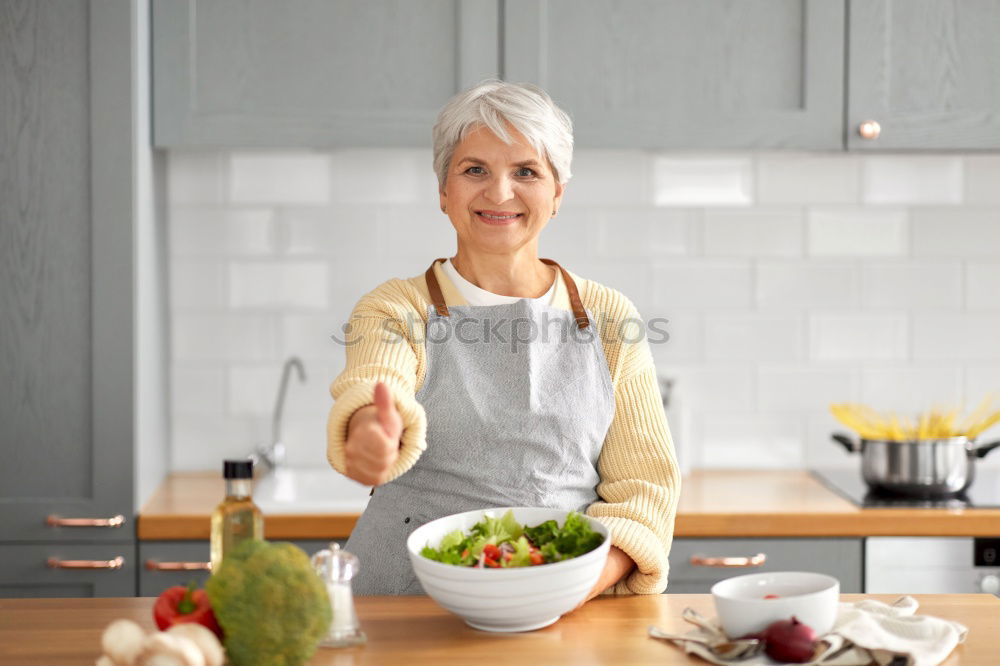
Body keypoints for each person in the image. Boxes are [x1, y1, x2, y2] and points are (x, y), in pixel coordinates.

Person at [326, 80, 680, 601]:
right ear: (443, 191)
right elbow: (375, 385)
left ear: (557, 193)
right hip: (405, 599)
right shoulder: (395, 308)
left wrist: (563, 586)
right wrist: (369, 434)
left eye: (526, 172)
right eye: (474, 170)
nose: (499, 193)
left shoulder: (609, 317)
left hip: (564, 604)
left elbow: (644, 493)